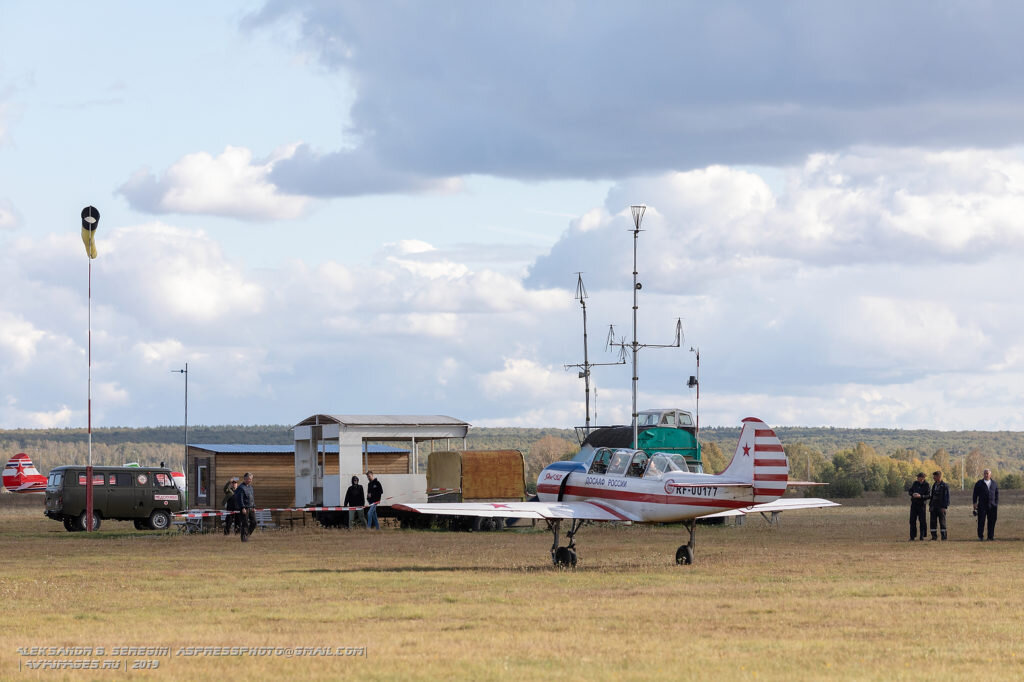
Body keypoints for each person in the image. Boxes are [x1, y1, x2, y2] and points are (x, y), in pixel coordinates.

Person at [972, 469, 999, 541]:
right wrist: (974, 503)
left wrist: (996, 504)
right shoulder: (979, 483)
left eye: (987, 473)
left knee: (992, 522)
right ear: (983, 474)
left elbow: (997, 494)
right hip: (982, 506)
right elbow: (975, 494)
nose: (986, 475)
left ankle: (990, 537)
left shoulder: (994, 483)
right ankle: (980, 536)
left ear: (990, 475)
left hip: (992, 507)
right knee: (981, 522)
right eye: (985, 473)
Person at [234, 472, 256, 542]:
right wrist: (243, 507)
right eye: (249, 479)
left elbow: (252, 498)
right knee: (245, 524)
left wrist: (253, 506)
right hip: (244, 508)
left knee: (254, 522)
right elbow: (239, 499)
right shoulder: (240, 488)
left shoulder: (250, 487)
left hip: (251, 508)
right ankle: (244, 539)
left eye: (251, 479)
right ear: (245, 479)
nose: (250, 480)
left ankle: (247, 535)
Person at [908, 472, 930, 541]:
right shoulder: (915, 483)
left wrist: (921, 496)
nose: (917, 478)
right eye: (917, 477)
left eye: (919, 477)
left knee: (922, 521)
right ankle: (912, 536)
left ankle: (922, 536)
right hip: (914, 504)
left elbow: (929, 495)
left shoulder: (927, 485)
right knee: (912, 520)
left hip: (922, 505)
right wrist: (913, 494)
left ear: (923, 478)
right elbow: (910, 491)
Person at [929, 470, 950, 541]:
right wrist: (930, 505)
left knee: (942, 522)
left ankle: (944, 537)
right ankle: (934, 537)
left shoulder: (944, 486)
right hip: (934, 507)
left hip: (941, 507)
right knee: (933, 522)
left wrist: (944, 507)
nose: (933, 478)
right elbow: (932, 496)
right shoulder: (934, 485)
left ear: (939, 476)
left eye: (935, 476)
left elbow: (947, 497)